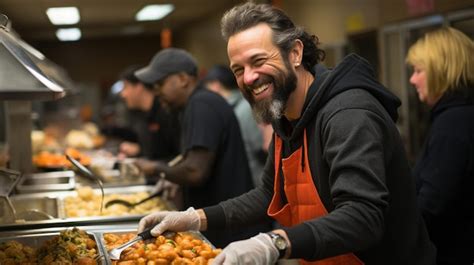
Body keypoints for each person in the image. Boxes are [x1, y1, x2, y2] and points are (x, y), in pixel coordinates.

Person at [137, 3, 436, 264]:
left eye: (258, 61)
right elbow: (269, 194)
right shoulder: (285, 114)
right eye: (238, 69)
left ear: (295, 52)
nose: (249, 78)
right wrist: (194, 218)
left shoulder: (347, 114)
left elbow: (363, 217)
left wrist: (273, 243)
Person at [134, 48, 272, 247]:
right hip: (221, 222)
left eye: (160, 83)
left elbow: (194, 171)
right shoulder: (194, 105)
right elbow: (193, 157)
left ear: (183, 79)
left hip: (231, 229)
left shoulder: (202, 104)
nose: (156, 91)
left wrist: (156, 168)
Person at [406, 27, 474, 265]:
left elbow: (433, 205)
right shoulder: (456, 116)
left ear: (441, 71)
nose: (412, 79)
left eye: (418, 70)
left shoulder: (453, 123)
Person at [203, 65, 267, 186]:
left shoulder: (245, 107)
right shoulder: (234, 107)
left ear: (215, 85)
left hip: (260, 182)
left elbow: (261, 149)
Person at [118, 65, 180, 161]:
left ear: (139, 87)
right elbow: (154, 152)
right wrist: (138, 150)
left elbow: (176, 156)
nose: (123, 94)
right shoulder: (140, 115)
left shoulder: (166, 112)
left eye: (125, 87)